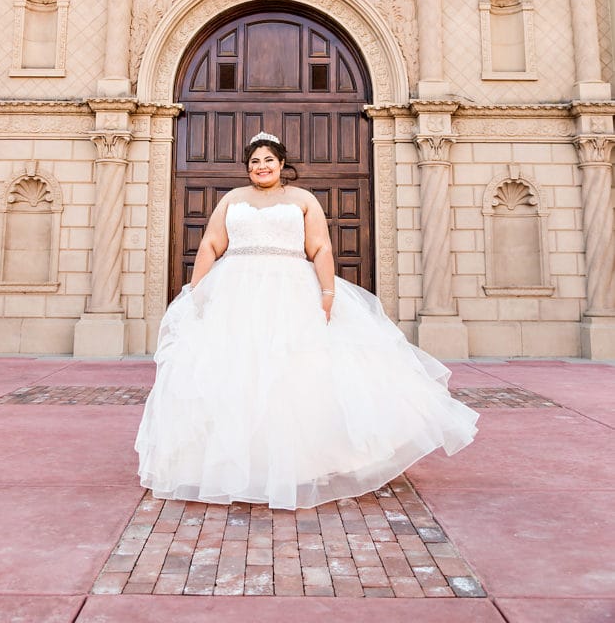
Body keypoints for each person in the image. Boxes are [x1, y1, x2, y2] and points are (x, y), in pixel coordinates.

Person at [135, 131, 479, 511]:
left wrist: (327, 293)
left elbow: (320, 247)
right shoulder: (232, 200)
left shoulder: (302, 200)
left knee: (297, 370)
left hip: (291, 288)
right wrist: (195, 289)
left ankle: (304, 462)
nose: (261, 167)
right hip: (236, 290)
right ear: (247, 168)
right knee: (235, 370)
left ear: (281, 164)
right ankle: (234, 463)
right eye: (254, 162)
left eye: (268, 160)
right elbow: (211, 244)